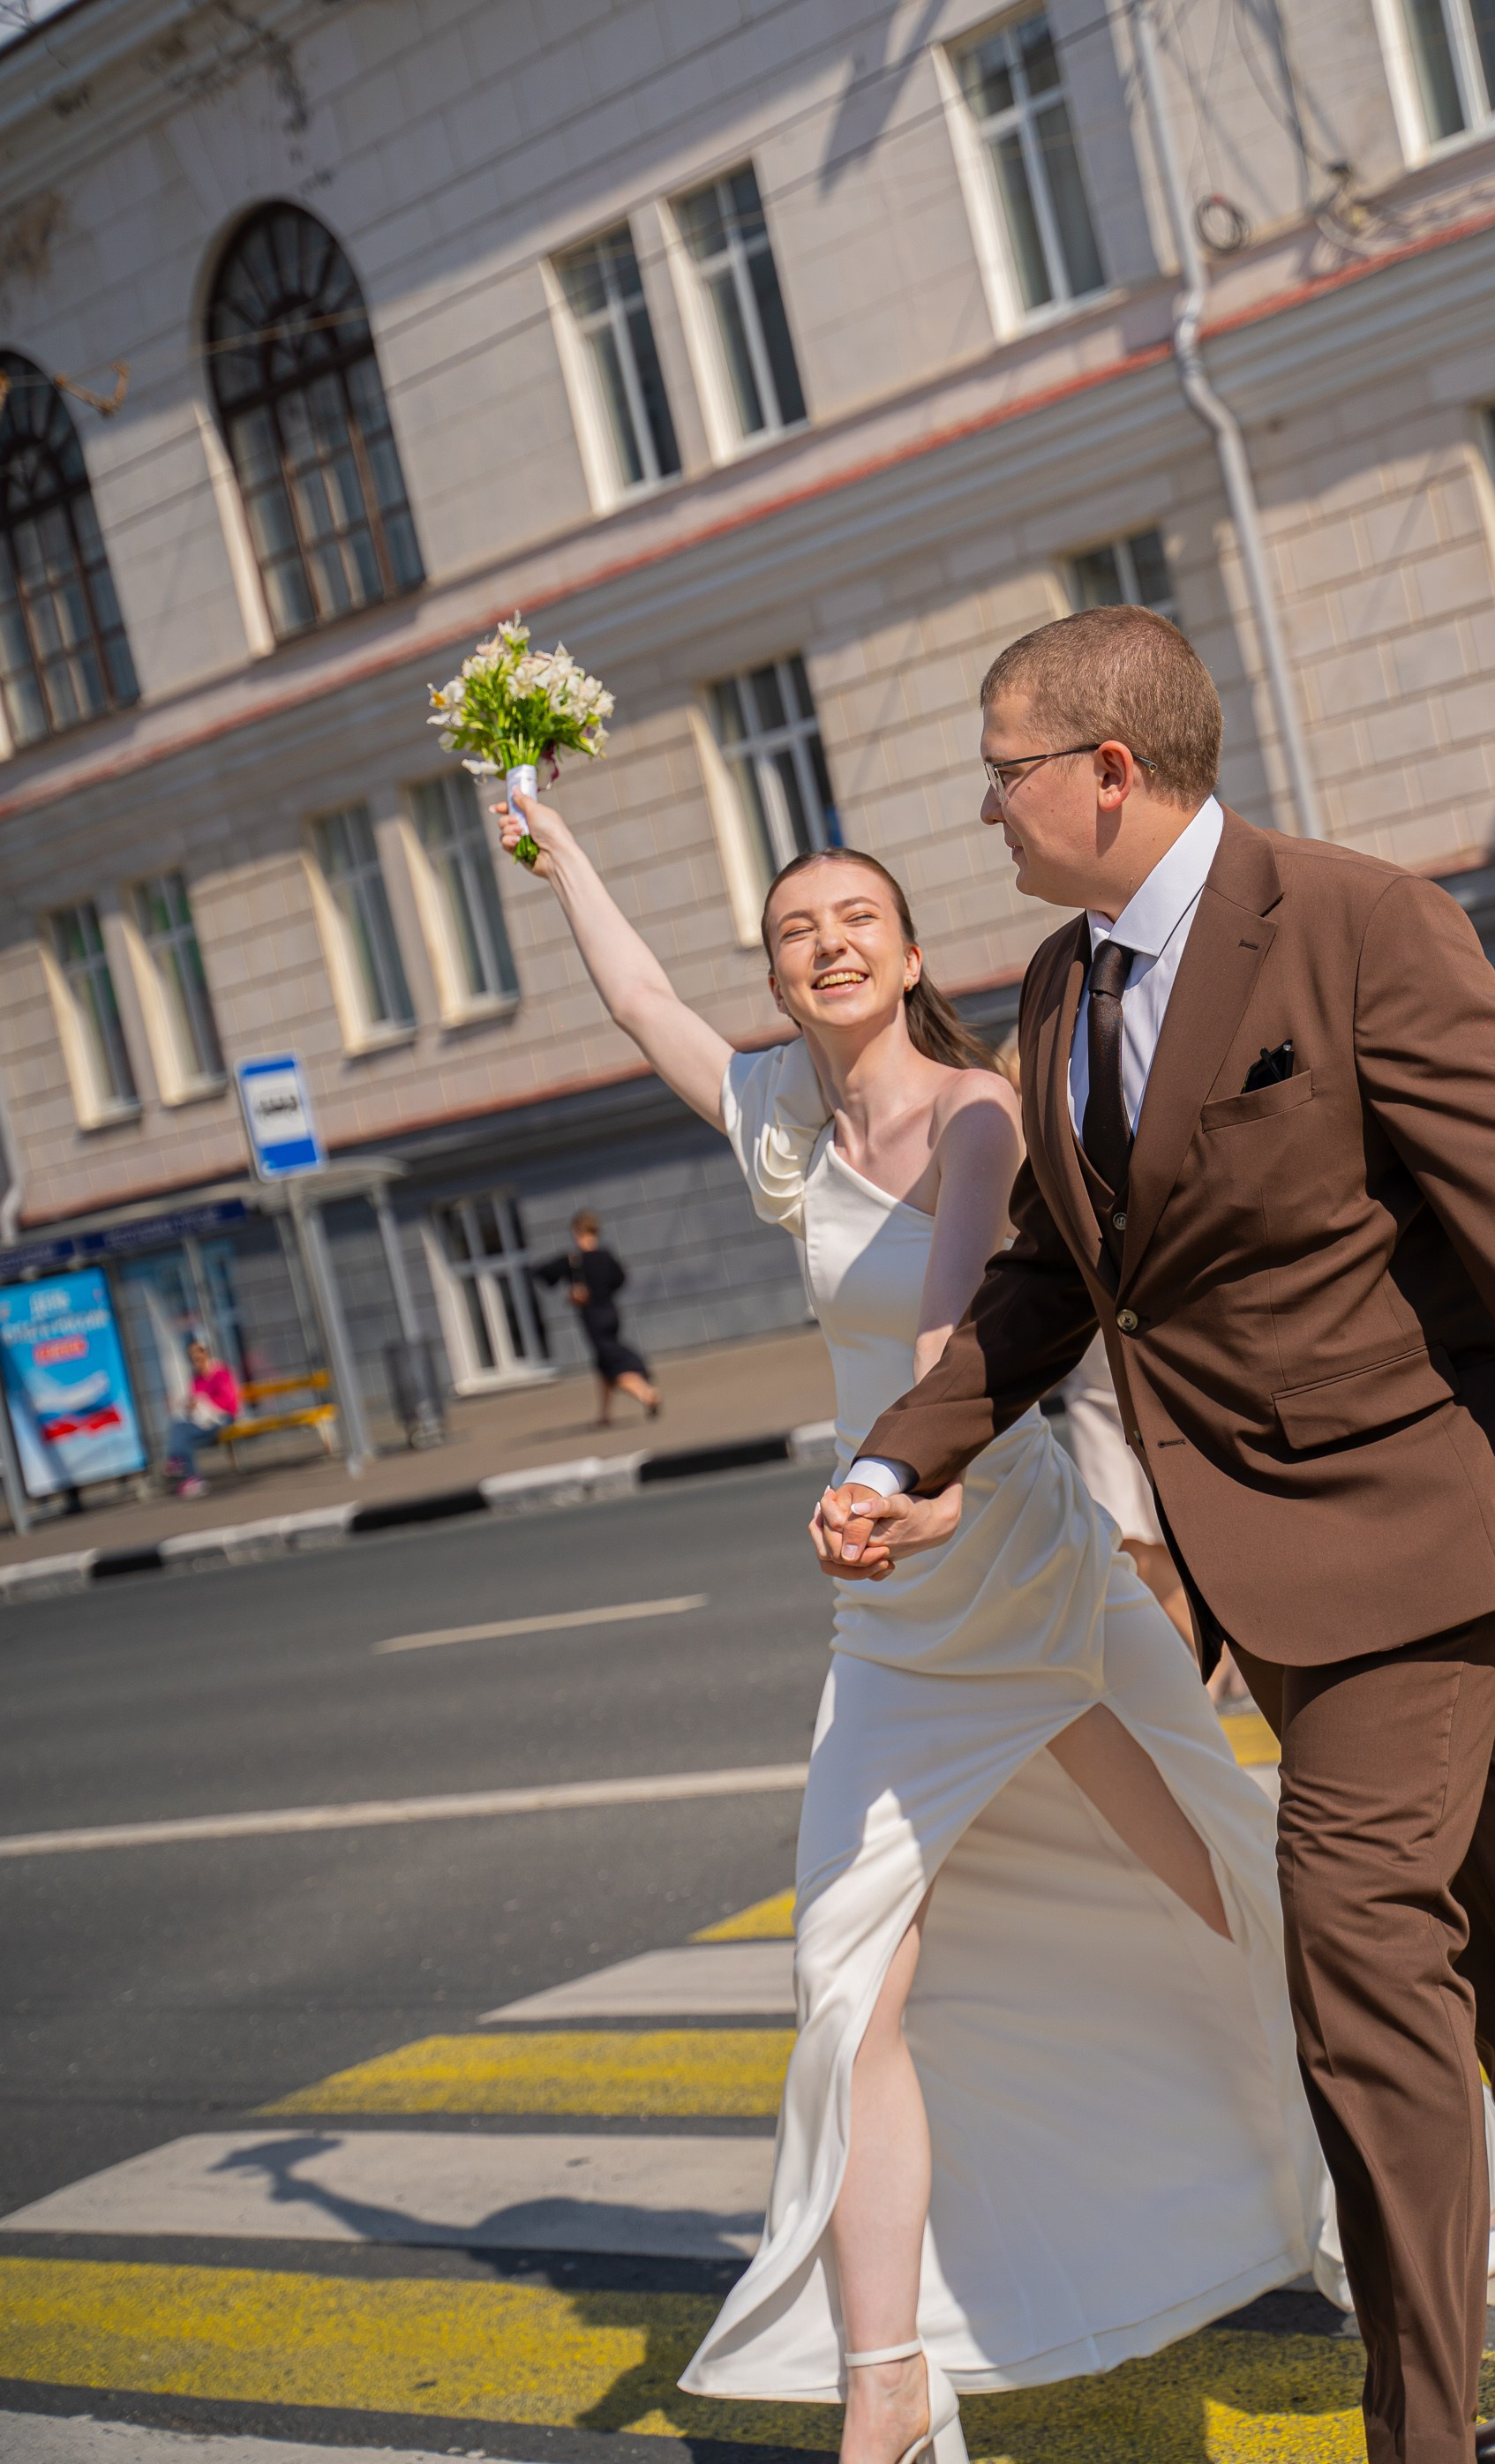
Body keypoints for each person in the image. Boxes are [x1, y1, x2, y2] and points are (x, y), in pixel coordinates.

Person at [817, 604, 1495, 2464]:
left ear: (1105, 770)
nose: (980, 810)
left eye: (999, 772)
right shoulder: (1066, 986)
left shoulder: (1354, 924)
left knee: (1357, 1958)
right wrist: (907, 1459)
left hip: (1414, 1532)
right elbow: (1052, 1284)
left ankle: (1414, 2429)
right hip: (1256, 1558)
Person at [495, 785, 1341, 2464]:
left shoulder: (972, 1116)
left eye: (852, 922)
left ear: (905, 954)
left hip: (1005, 1557)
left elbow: (962, 1329)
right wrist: (556, 843)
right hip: (886, 1613)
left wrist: (923, 1481)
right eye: (793, 931)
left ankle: (1383, 2165)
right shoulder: (779, 1126)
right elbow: (644, 1005)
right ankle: (886, 2376)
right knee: (847, 1979)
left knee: (1215, 1879)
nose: (824, 947)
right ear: (782, 972)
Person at [533, 1210, 660, 1424]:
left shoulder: (574, 1260)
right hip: (611, 1313)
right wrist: (602, 1292)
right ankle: (605, 1415)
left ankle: (647, 1394)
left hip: (593, 1319)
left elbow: (542, 1272)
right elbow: (620, 1279)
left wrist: (576, 1292)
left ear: (577, 1231)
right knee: (603, 1363)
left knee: (614, 1367)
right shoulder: (606, 1256)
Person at [162, 1338, 238, 1499]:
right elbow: (195, 1402)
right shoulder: (196, 1378)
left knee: (183, 1433)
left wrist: (203, 1402)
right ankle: (185, 1469)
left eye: (197, 1358)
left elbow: (229, 1403)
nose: (195, 1363)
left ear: (206, 1354)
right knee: (178, 1425)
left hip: (222, 1419)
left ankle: (185, 1469)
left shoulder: (220, 1373)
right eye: (192, 1360)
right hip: (204, 1420)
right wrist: (187, 1404)